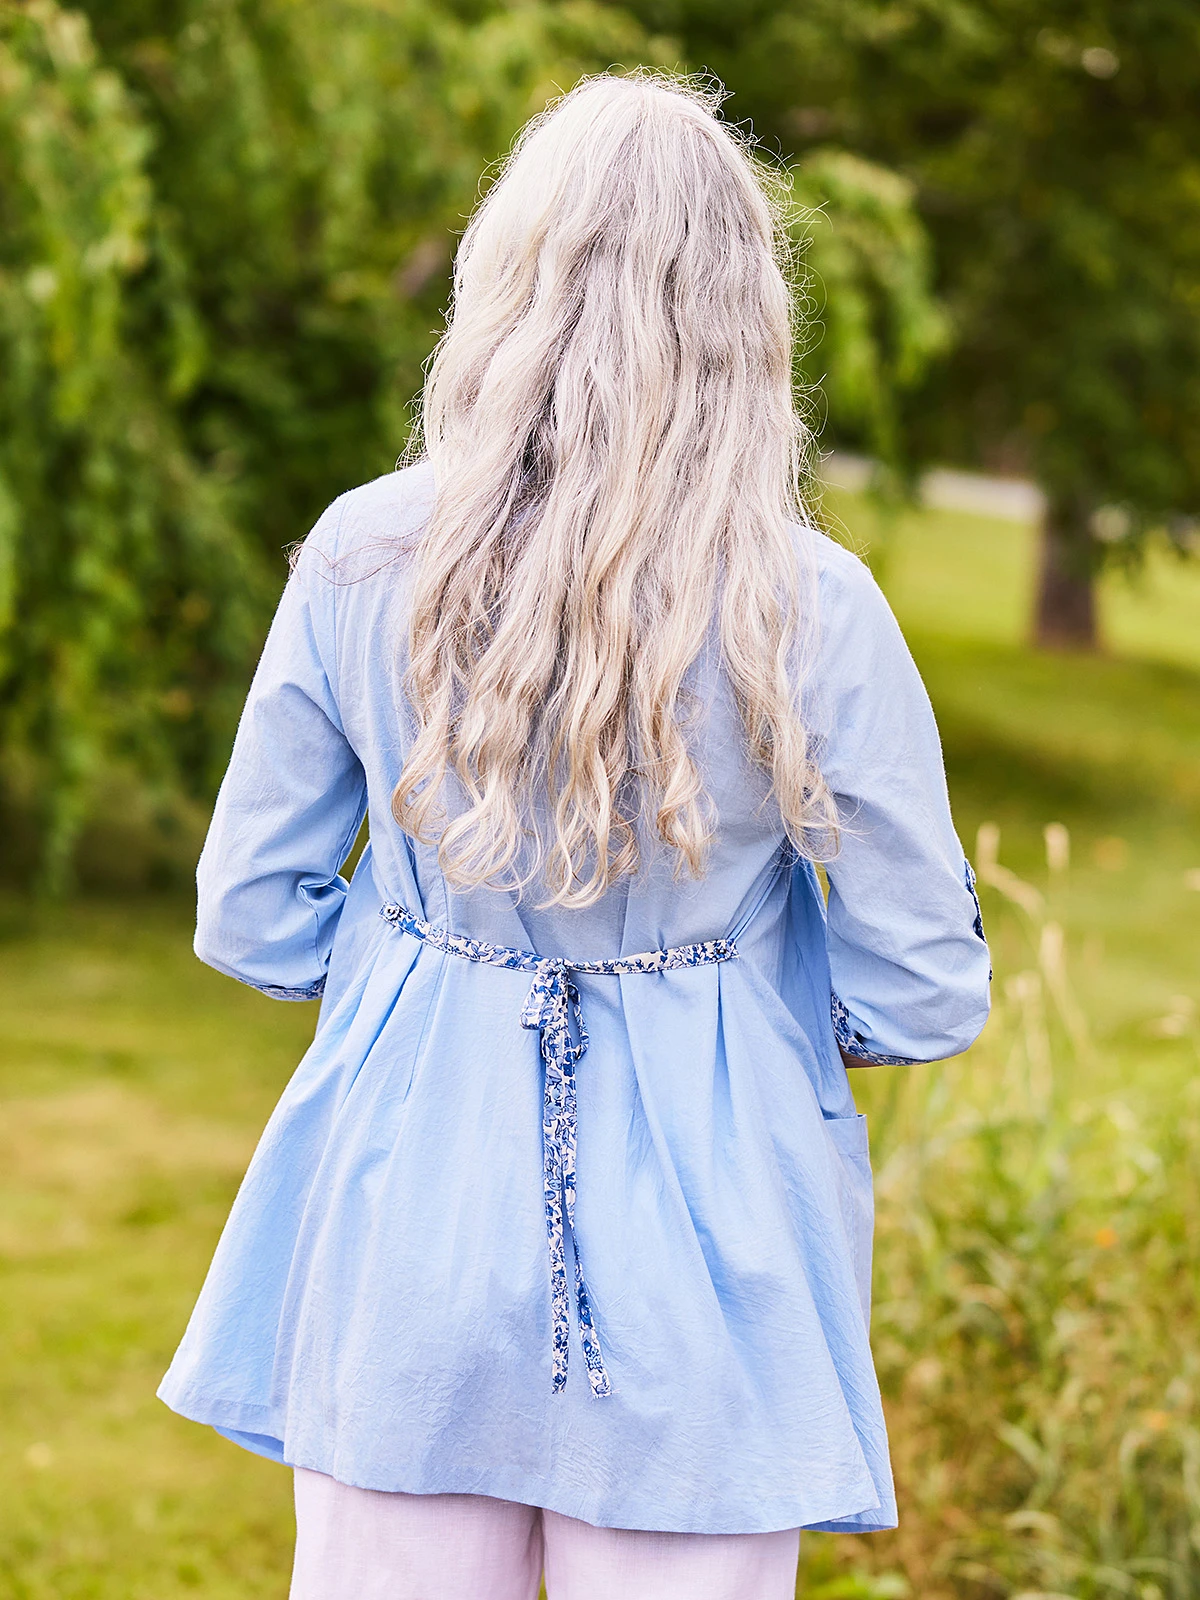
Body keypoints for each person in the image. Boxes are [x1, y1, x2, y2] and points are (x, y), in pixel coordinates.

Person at [159, 71, 991, 1600]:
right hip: (713, 1245)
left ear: (506, 280)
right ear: (746, 317)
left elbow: (253, 910)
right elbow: (925, 983)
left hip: (406, 1203)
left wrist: (433, 969)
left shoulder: (367, 553)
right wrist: (726, 994)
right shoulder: (811, 607)